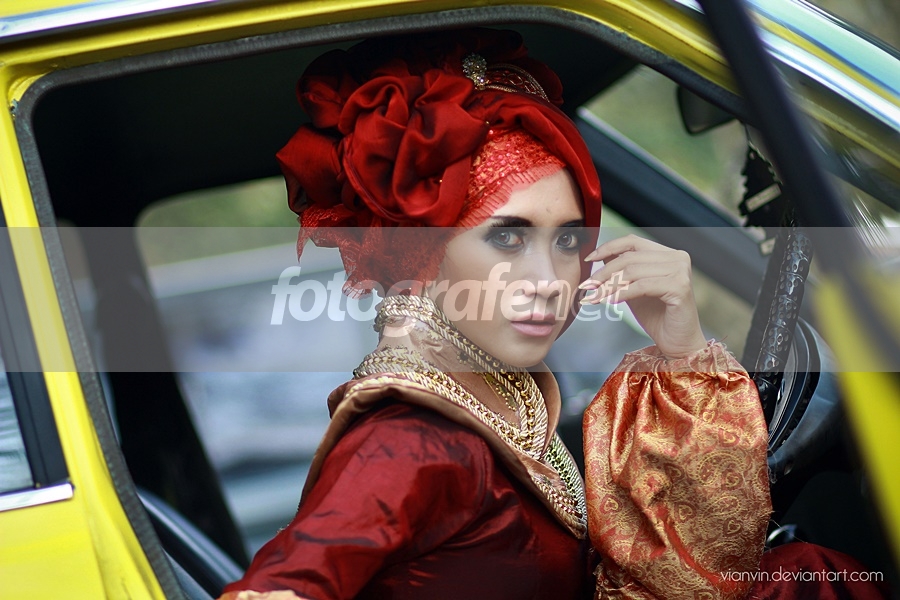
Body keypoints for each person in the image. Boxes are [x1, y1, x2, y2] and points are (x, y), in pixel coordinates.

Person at [219, 29, 887, 600]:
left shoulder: (497, 399)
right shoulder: (409, 441)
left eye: (569, 241)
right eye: (508, 239)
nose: (547, 282)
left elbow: (688, 577)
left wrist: (682, 350)